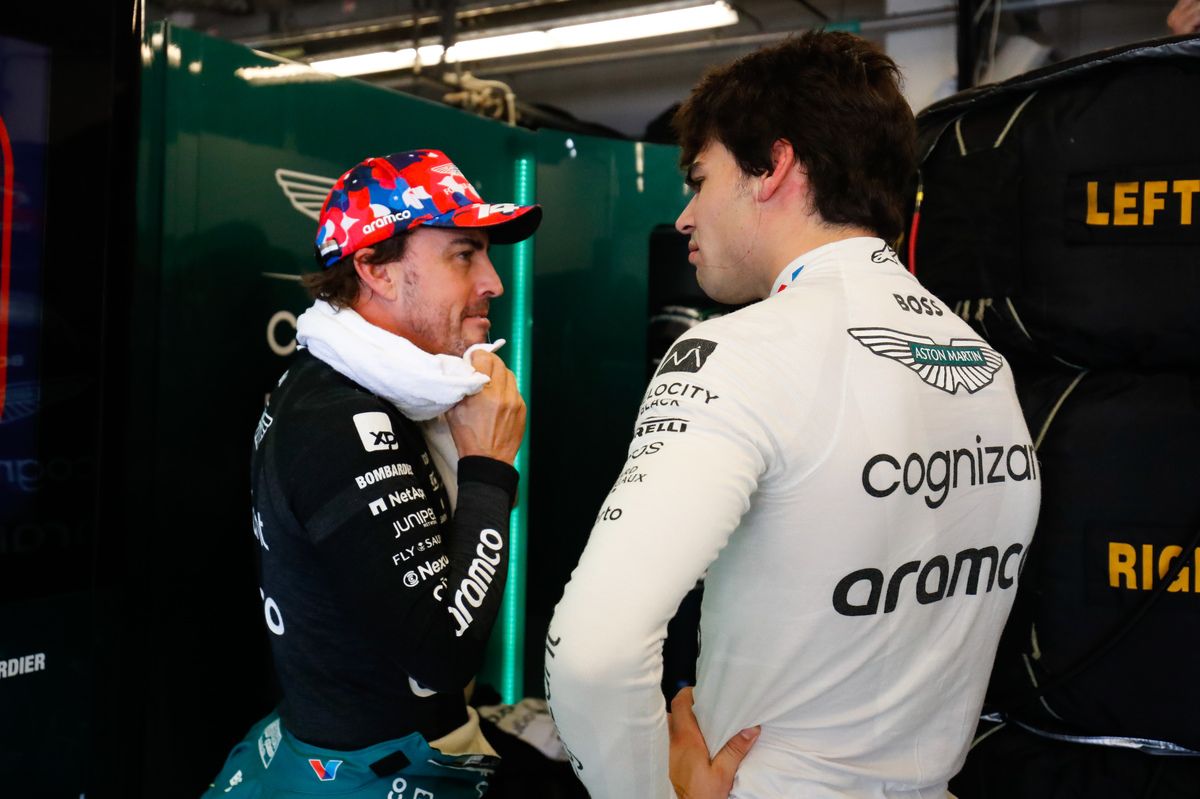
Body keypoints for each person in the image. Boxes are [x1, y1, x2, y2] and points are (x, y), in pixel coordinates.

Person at [544, 31, 1041, 799]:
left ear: (772, 168)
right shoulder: (986, 364)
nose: (684, 216)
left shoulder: (735, 353)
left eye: (698, 177)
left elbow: (591, 652)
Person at [203, 149, 539, 798]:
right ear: (375, 269)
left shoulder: (376, 384)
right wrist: (489, 469)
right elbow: (440, 653)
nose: (494, 280)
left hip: (390, 741)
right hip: (372, 767)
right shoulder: (338, 417)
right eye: (464, 255)